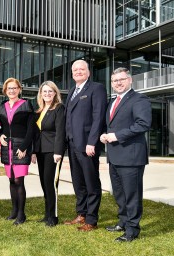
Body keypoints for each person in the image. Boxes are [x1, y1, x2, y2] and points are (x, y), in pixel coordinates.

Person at [100, 67, 151, 242]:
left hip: (131, 157)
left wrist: (116, 136)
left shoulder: (139, 99)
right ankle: (123, 222)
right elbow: (112, 125)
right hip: (115, 156)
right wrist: (105, 135)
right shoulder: (113, 101)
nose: (118, 83)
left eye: (122, 79)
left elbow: (143, 124)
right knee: (120, 194)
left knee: (132, 195)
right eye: (115, 80)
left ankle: (132, 230)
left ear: (130, 80)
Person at [64, 60, 107, 231]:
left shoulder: (96, 89)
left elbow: (98, 117)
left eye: (82, 69)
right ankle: (81, 213)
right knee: (78, 181)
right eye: (75, 70)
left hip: (87, 145)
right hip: (73, 144)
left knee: (91, 182)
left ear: (89, 72)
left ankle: (92, 219)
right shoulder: (72, 91)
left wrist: (92, 142)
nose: (78, 72)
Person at [0, 78, 34, 225]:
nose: (11, 91)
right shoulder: (2, 106)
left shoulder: (26, 105)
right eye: (9, 88)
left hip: (21, 147)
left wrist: (24, 147)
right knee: (11, 180)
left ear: (19, 89)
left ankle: (21, 214)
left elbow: (31, 129)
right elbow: (0, 126)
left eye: (14, 88)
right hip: (7, 147)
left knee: (19, 180)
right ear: (5, 91)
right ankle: (13, 211)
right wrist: (0, 135)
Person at [31, 81, 66, 227]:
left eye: (50, 91)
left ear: (55, 93)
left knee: (51, 184)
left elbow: (60, 131)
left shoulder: (59, 108)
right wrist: (33, 151)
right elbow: (34, 133)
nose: (47, 94)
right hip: (40, 150)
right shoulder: (39, 110)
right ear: (41, 94)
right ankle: (47, 214)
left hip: (53, 151)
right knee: (44, 183)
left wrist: (58, 152)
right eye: (44, 92)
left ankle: (54, 216)